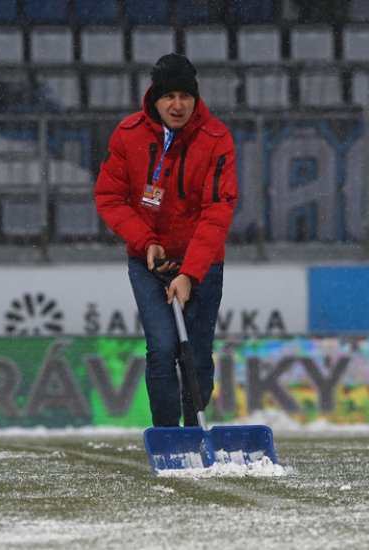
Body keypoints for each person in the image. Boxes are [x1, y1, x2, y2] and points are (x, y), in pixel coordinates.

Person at [94, 53, 239, 428]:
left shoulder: (217, 139)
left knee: (199, 357)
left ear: (196, 98)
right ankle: (167, 438)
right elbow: (109, 197)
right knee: (161, 349)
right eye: (169, 96)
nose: (178, 105)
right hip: (149, 263)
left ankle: (194, 434)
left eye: (186, 96)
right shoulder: (128, 135)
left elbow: (217, 211)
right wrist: (146, 243)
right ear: (154, 98)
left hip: (202, 264)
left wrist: (190, 273)